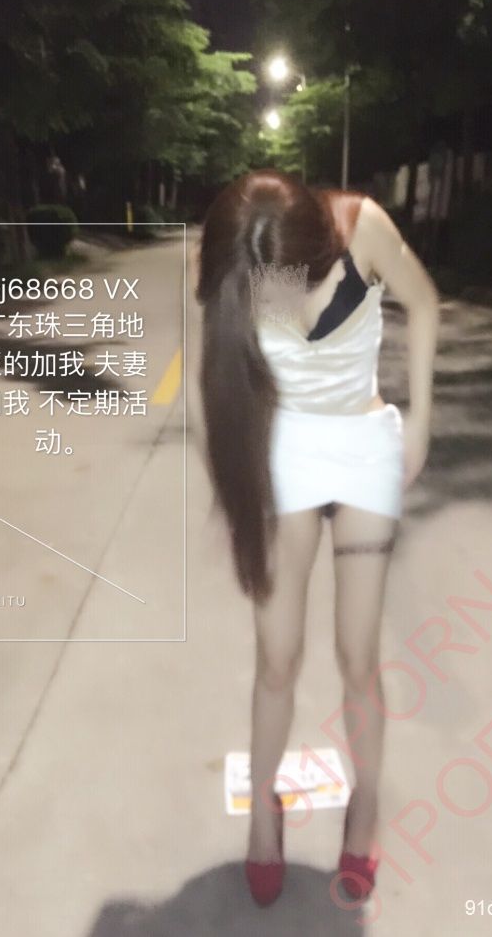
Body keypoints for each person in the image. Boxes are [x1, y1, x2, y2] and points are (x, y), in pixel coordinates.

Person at [186, 168, 439, 906]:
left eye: (289, 286)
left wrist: (420, 421)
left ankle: (366, 803)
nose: (281, 309)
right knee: (277, 657)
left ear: (315, 250)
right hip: (284, 448)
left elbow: (424, 302)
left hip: (362, 445)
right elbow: (213, 382)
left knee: (358, 655)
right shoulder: (235, 265)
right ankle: (265, 811)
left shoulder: (362, 228)